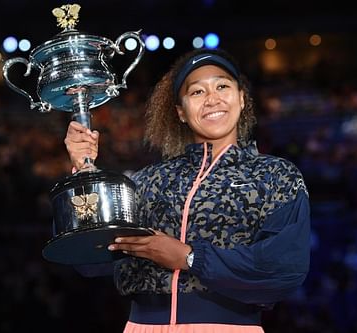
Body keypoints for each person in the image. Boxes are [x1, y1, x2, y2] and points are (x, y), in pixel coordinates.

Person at [64, 48, 311, 333]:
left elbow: (283, 267)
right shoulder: (147, 181)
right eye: (197, 92)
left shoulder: (276, 176)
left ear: (242, 99)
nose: (212, 98)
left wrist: (189, 257)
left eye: (222, 86)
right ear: (180, 112)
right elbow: (89, 259)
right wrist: (83, 170)